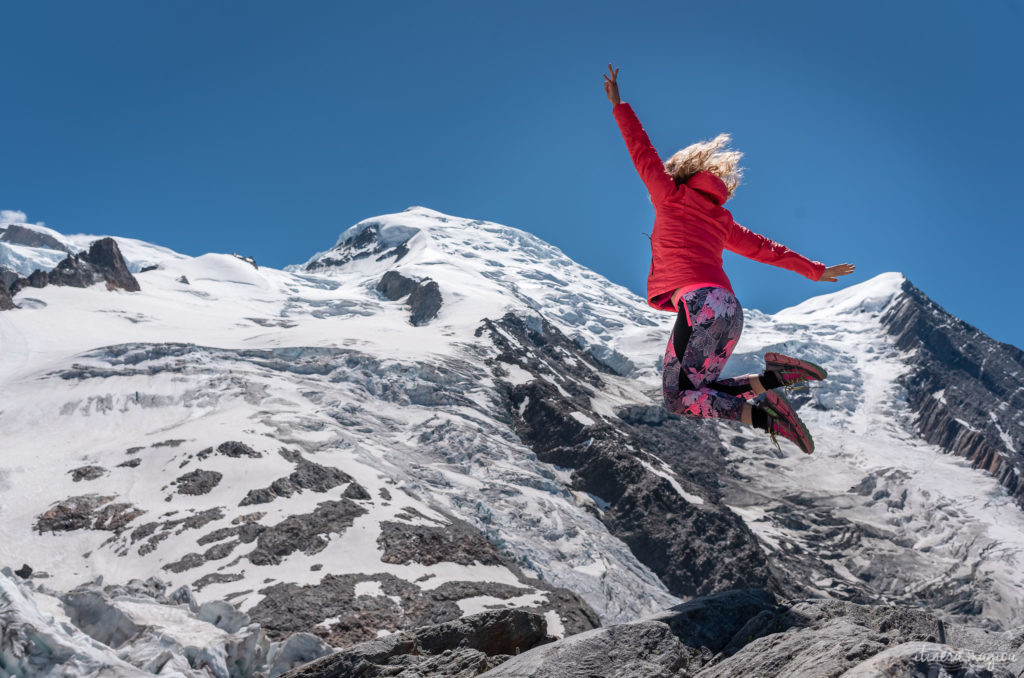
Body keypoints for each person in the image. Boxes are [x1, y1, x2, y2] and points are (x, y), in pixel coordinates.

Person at [604, 64, 855, 454]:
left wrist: (619, 105)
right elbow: (765, 248)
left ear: (682, 173)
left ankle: (769, 410)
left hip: (700, 305)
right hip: (729, 309)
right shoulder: (722, 221)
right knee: (699, 391)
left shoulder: (670, 196)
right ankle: (773, 381)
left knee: (677, 398)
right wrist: (815, 270)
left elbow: (643, 152)